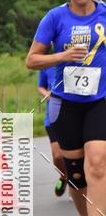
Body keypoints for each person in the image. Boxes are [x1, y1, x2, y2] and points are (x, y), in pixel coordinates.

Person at [26, 0, 106, 216]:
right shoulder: (54, 18)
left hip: (100, 101)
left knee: (97, 163)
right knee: (75, 175)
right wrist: (62, 56)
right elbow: (32, 60)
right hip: (66, 103)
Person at [37, 67, 69, 199]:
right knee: (58, 156)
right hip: (53, 116)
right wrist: (47, 94)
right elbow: (41, 87)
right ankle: (64, 177)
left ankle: (77, 184)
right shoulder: (47, 63)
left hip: (75, 114)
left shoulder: (78, 60)